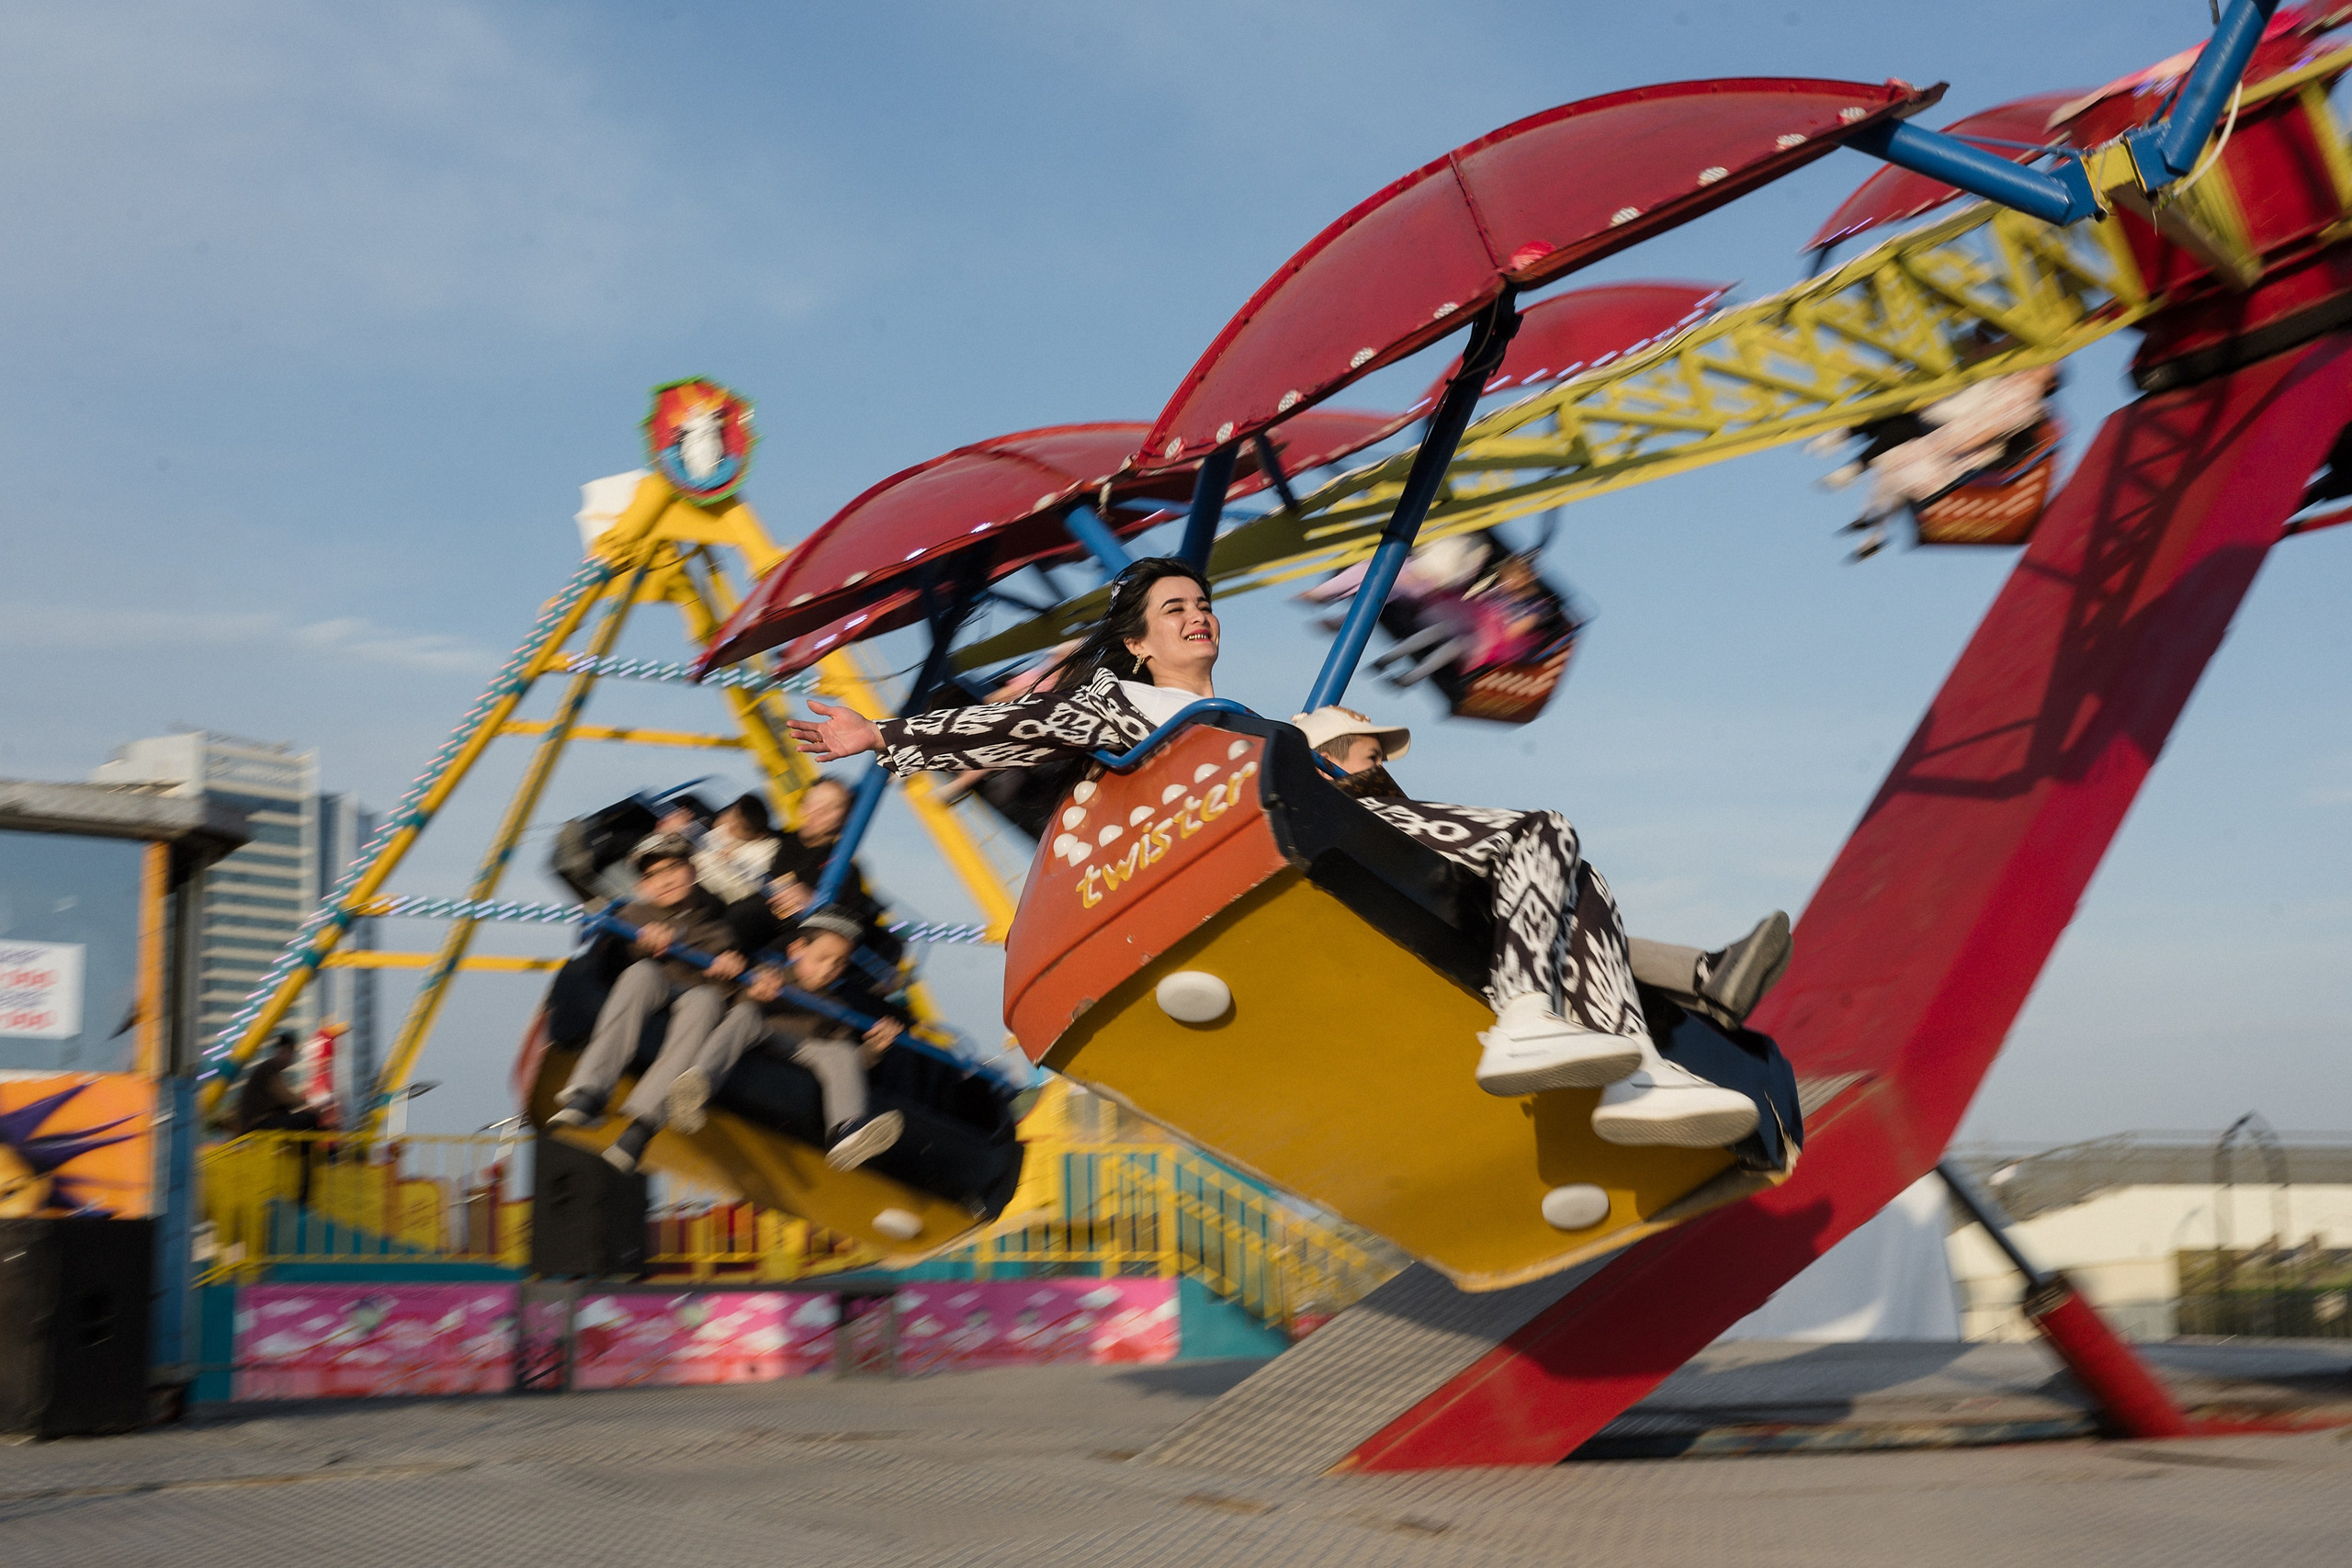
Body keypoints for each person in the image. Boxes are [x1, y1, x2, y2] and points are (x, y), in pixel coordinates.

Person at [787, 556, 1758, 1150]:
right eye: (1174, 610)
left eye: (1202, 604)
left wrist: (1350, 767)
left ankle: (1632, 1071)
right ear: (1132, 644)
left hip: (1307, 822)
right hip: (1232, 845)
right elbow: (1013, 733)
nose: (1198, 616)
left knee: (1556, 856)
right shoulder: (1122, 705)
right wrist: (878, 739)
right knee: (1534, 837)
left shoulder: (1245, 721)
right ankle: (1533, 1019)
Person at [1293, 705, 1792, 1034]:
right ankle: (1530, 1006)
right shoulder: (1364, 812)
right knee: (1543, 837)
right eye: (1372, 756)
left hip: (1457, 907)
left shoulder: (1377, 819)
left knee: (1568, 890)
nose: (1385, 769)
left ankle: (1700, 980)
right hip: (1415, 887)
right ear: (1321, 766)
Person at [661, 908, 909, 1171]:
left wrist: (874, 1048)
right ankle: (696, 1085)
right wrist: (754, 994)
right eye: (822, 958)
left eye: (838, 963)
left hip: (797, 1049)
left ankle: (848, 1128)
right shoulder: (767, 974)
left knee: (842, 1052)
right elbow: (728, 1003)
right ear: (796, 950)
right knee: (745, 1013)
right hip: (755, 1034)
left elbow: (848, 1064)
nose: (828, 970)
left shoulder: (835, 1007)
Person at [546, 837, 745, 1163]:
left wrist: (729, 972)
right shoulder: (632, 916)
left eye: (673, 869)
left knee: (706, 1002)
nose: (665, 880)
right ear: (642, 885)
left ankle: (642, 1126)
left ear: (692, 870)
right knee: (642, 974)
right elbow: (606, 960)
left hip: (692, 996)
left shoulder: (718, 926)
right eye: (653, 875)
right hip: (647, 989)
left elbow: (731, 987)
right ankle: (588, 1093)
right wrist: (639, 946)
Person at [236, 1032, 323, 1134]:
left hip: (257, 1124)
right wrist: (309, 1107)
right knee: (308, 1119)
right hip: (260, 1124)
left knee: (304, 1120)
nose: (291, 1058)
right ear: (283, 1050)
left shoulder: (267, 1069)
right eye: (290, 1053)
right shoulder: (269, 1069)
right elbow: (285, 1096)